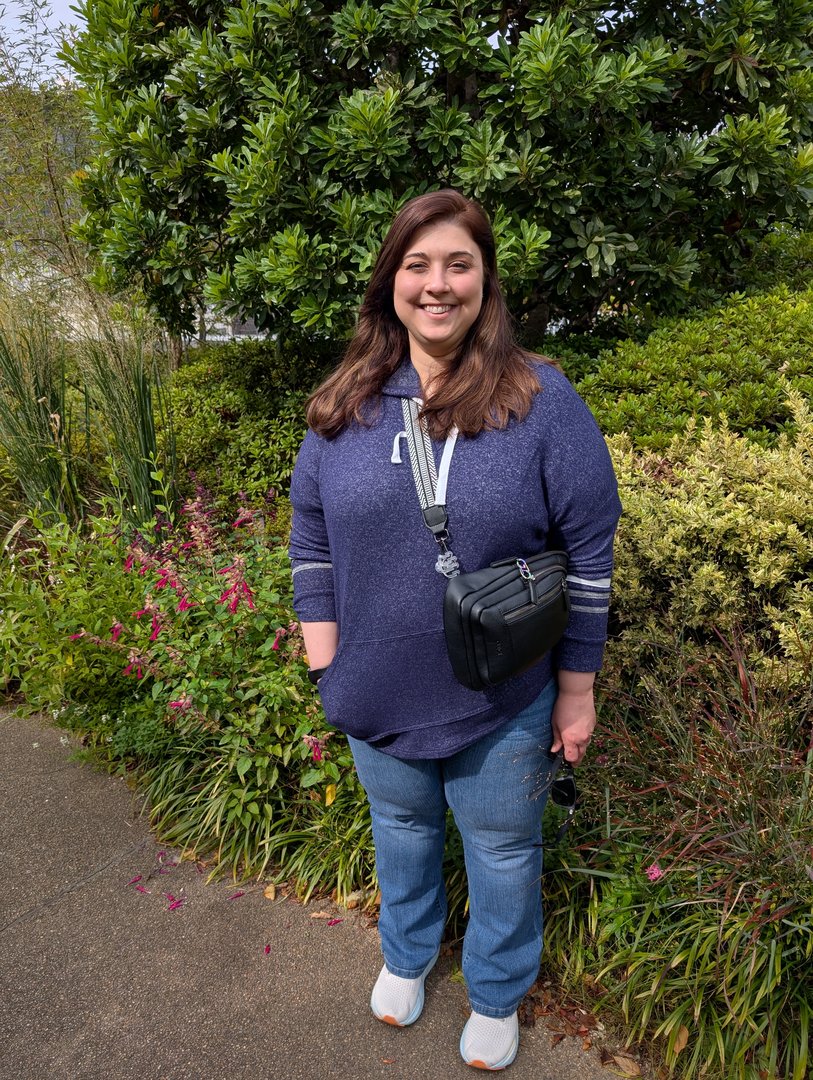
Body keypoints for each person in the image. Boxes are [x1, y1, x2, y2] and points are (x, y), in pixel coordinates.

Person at [288, 189, 621, 1071]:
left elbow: (589, 551)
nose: (437, 286)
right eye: (418, 265)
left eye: (458, 265)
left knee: (504, 848)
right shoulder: (347, 402)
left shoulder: (538, 399)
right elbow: (310, 539)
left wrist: (576, 690)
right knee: (399, 833)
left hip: (502, 695)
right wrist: (328, 660)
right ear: (390, 280)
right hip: (375, 687)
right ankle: (406, 955)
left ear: (485, 282)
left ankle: (498, 990)